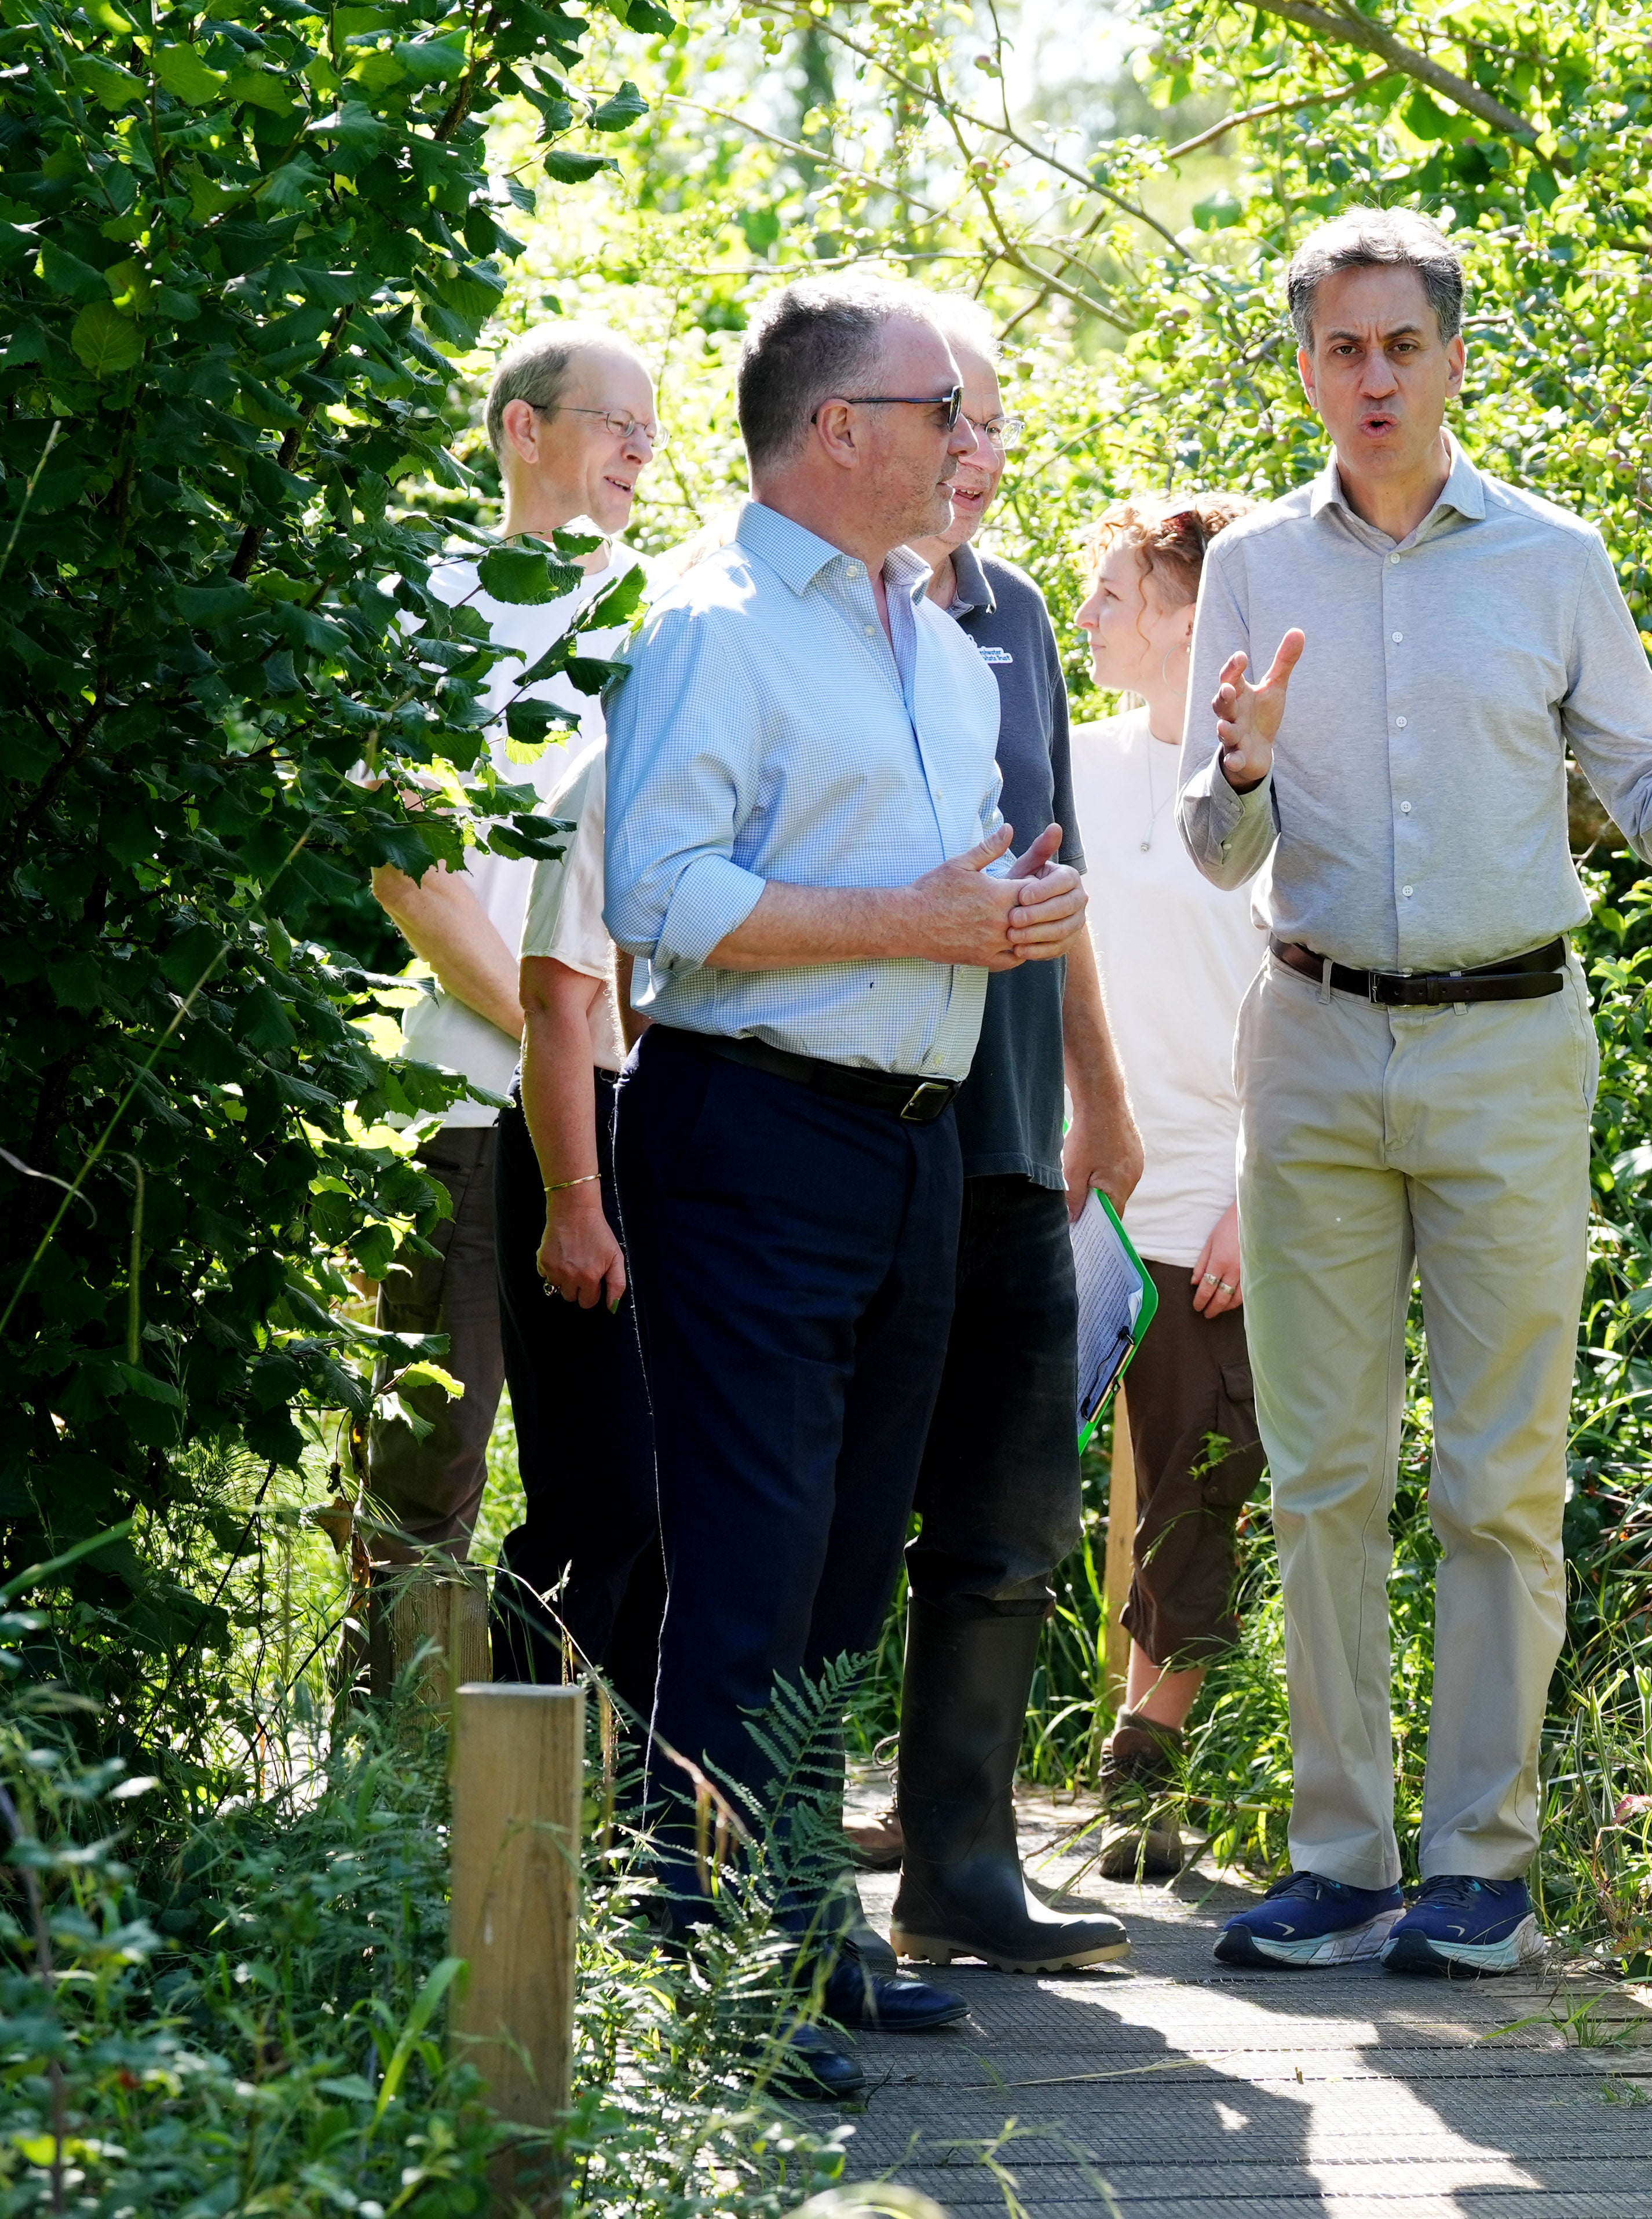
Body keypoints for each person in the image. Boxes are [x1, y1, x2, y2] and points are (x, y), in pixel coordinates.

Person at [1179, 210, 1652, 1977]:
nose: (1370, 378)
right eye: (1338, 348)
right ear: (1304, 366)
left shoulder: (1551, 559)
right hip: (1309, 1037)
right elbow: (1213, 852)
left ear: (1451, 359)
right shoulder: (1248, 570)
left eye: (1399, 347)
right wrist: (1239, 772)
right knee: (1320, 1470)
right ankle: (1344, 1855)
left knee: (1500, 1473)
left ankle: (1480, 1867)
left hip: (1512, 1046)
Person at [601, 274, 1086, 2096]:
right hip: (749, 1133)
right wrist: (917, 922)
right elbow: (660, 895)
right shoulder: (713, 624)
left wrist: (1009, 920)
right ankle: (710, 1977)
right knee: (747, 1566)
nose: (971, 443)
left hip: (914, 1149)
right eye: (941, 409)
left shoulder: (944, 646)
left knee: (842, 1573)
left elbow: (950, 893)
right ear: (837, 431)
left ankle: (799, 1926)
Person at [865, 300, 1143, 1974]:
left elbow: (1059, 877)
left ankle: (962, 1863)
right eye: (952, 419)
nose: (981, 454)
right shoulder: (806, 607)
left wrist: (1098, 1088)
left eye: (995, 426)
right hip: (851, 1129)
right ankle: (725, 1870)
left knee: (1012, 1504)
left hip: (1011, 1138)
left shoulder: (1020, 611)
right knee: (825, 1513)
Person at [356, 322, 653, 1650]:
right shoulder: (427, 603)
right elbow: (412, 873)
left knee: (612, 1481)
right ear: (523, 430)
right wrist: (552, 1033)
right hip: (478, 1104)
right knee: (433, 1462)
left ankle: (573, 1784)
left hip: (637, 1118)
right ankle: (391, 1784)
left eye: (653, 428)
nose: (641, 449)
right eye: (613, 421)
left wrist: (602, 1062)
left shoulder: (673, 612)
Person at [1063, 491, 1264, 1884]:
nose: (1085, 618)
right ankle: (949, 1794)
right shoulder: (1067, 765)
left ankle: (1145, 1761)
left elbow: (1308, 999)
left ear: (1191, 617)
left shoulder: (1268, 787)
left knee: (1201, 1479)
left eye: (1114, 596)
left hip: (1215, 1192)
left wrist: (1264, 1193)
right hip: (1070, 1186)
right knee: (1000, 1479)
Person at [487, 719, 659, 1697]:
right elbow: (552, 1006)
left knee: (681, 1507)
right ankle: (515, 1799)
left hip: (694, 1134)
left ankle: (650, 1817)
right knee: (604, 1494)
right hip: (582, 1134)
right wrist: (575, 1205)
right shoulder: (609, 775)